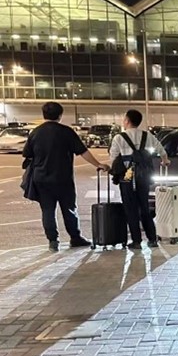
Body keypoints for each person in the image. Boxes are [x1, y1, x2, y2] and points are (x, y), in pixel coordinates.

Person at [22, 101, 109, 252]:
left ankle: (53, 241)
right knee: (69, 209)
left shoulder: (35, 132)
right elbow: (82, 151)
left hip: (41, 178)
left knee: (47, 211)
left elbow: (27, 154)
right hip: (63, 178)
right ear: (60, 115)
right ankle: (75, 238)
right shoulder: (66, 131)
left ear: (44, 115)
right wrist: (98, 164)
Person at [108, 109, 170, 250]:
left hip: (127, 178)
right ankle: (152, 239)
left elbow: (113, 158)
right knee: (144, 207)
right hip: (143, 177)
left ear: (127, 121)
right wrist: (165, 161)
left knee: (131, 209)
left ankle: (136, 241)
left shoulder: (119, 138)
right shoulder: (147, 136)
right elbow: (161, 150)